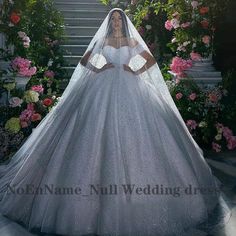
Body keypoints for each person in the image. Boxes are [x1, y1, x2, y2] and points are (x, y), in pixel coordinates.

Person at [0, 7, 232, 236]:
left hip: (132, 87)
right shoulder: (104, 39)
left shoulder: (131, 43)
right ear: (111, 22)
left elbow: (149, 61)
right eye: (115, 20)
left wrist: (136, 70)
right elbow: (85, 61)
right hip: (103, 85)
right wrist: (100, 68)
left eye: (120, 19)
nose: (118, 23)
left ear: (124, 22)